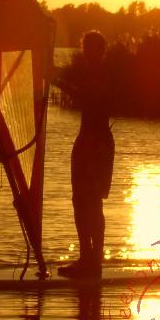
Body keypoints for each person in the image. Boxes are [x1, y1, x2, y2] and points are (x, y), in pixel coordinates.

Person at [51, 30, 115, 279]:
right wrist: (50, 72)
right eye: (86, 49)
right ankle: (86, 257)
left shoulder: (103, 74)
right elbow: (73, 81)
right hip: (86, 141)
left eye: (92, 49)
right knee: (80, 200)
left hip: (97, 144)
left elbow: (87, 97)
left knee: (93, 201)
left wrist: (55, 81)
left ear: (101, 51)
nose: (88, 54)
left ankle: (93, 261)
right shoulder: (88, 71)